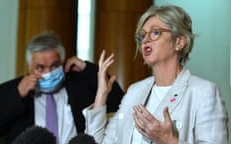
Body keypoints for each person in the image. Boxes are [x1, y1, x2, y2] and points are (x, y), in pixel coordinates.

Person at [82, 5, 229, 144]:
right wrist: (101, 95)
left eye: (155, 32)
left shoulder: (204, 92)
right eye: (142, 36)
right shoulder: (135, 91)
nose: (145, 40)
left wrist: (170, 141)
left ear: (179, 42)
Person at [0, 32, 124, 144]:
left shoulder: (79, 85)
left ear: (63, 62)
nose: (48, 72)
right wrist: (17, 95)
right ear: (29, 67)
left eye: (54, 66)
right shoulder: (10, 90)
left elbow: (119, 102)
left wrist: (86, 68)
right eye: (40, 68)